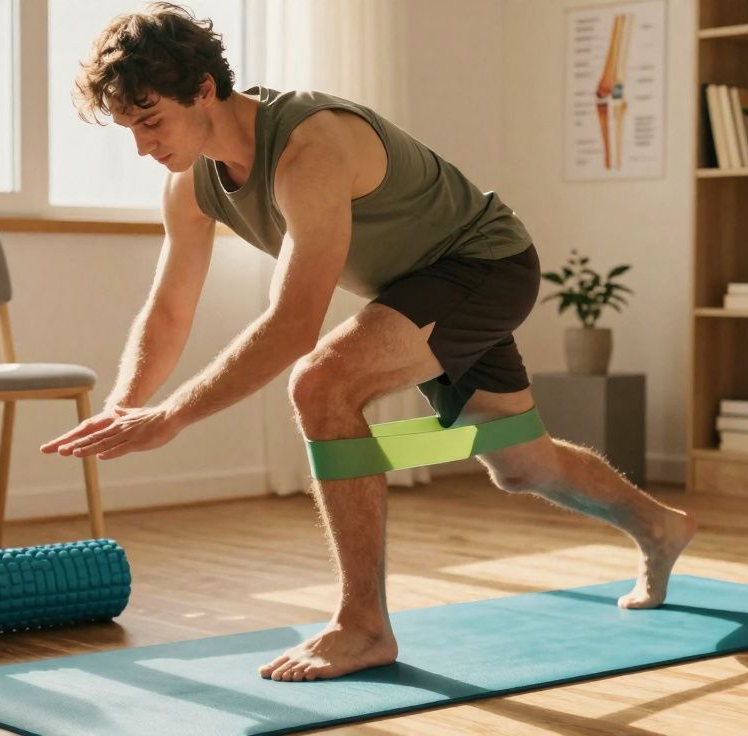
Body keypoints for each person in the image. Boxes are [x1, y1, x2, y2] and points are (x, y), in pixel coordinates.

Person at [41, 2, 696, 683]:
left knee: (322, 382)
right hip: (413, 294)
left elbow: (295, 326)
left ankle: (363, 626)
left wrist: (172, 417)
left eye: (151, 121)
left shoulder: (310, 147)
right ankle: (660, 527)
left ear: (204, 88)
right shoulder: (191, 184)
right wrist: (126, 406)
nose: (144, 146)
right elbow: (169, 309)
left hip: (486, 267)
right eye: (130, 129)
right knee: (522, 465)